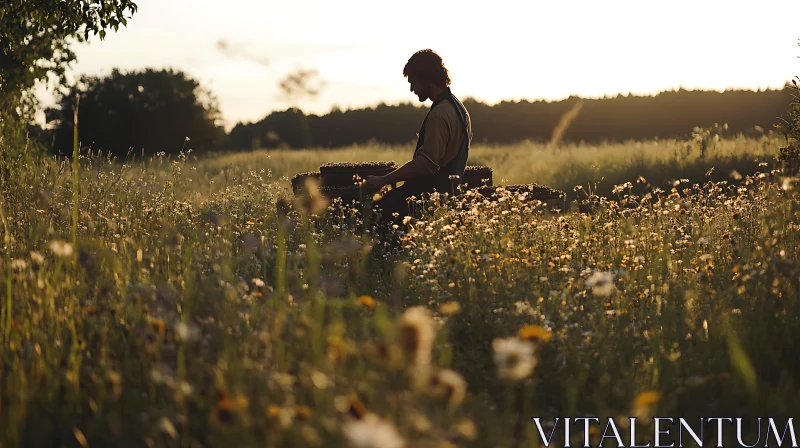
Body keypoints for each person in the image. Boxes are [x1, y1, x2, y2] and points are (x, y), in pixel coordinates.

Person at [364, 49, 473, 227]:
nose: (412, 89)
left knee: (374, 217)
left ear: (426, 78)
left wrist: (383, 180)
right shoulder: (459, 108)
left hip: (427, 199)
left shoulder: (439, 114)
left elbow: (427, 164)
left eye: (413, 82)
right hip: (446, 196)